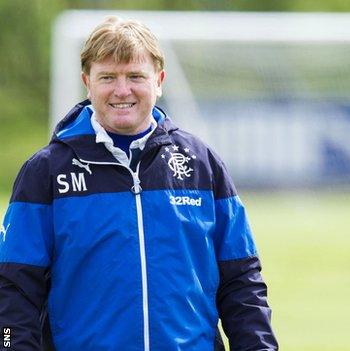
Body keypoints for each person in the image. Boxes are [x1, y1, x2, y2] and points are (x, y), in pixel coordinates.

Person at [0, 16, 278, 350]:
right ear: (86, 81)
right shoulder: (45, 173)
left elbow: (241, 280)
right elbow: (15, 288)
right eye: (107, 77)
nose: (122, 90)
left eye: (135, 76)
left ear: (158, 80)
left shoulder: (202, 165)